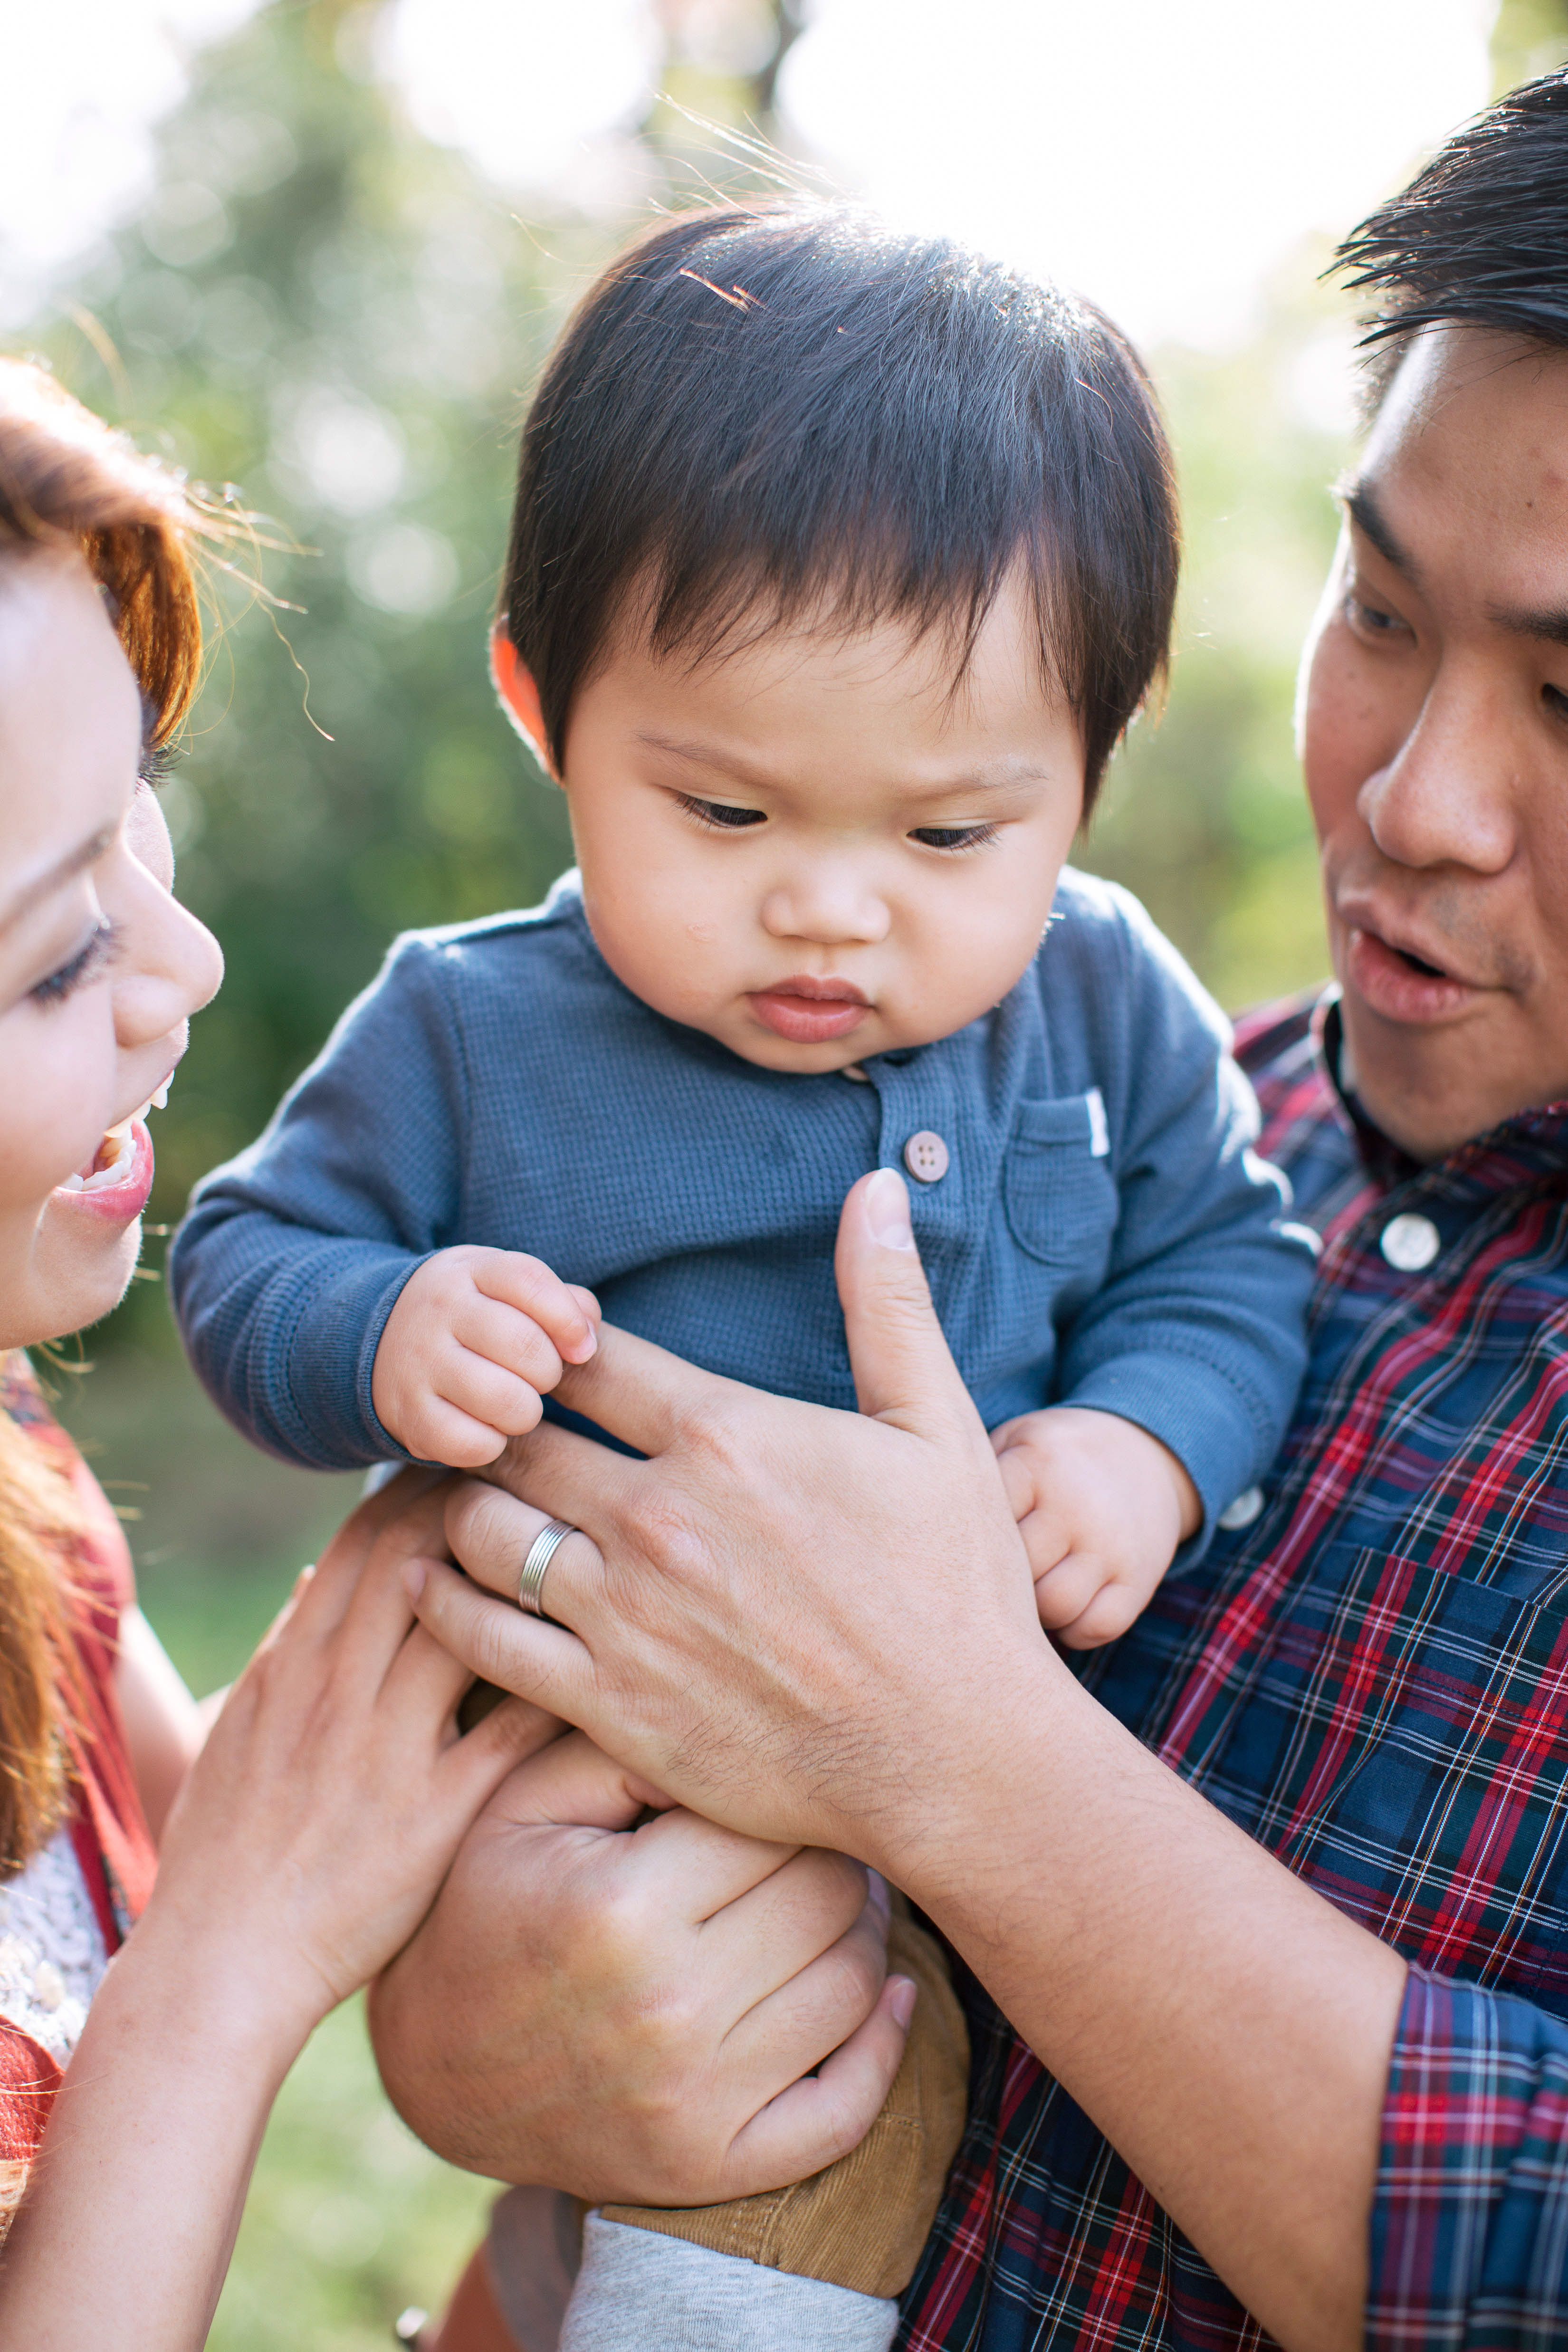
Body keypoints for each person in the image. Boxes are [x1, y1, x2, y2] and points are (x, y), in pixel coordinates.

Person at [366, 68, 1568, 2352]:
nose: (1417, 803)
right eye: (1384, 612)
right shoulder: (1173, 1129)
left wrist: (957, 1752)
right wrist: (493, 2062)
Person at [167, 206, 1318, 2346]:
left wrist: (1143, 1444)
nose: (831, 913)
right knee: (778, 2142)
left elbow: (1231, 1259)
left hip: (994, 1829)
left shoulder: (1109, 1004)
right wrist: (388, 1324)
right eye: (719, 806)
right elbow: (247, 1251)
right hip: (623, 1793)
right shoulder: (474, 1032)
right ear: (546, 706)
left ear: (1090, 762)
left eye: (950, 835)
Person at [0, 353, 591, 2347]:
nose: (188, 965)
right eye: (57, 950)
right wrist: (237, 1967)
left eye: (136, 821)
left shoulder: (16, 1484)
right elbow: (234, 1905)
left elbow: (248, 1807)